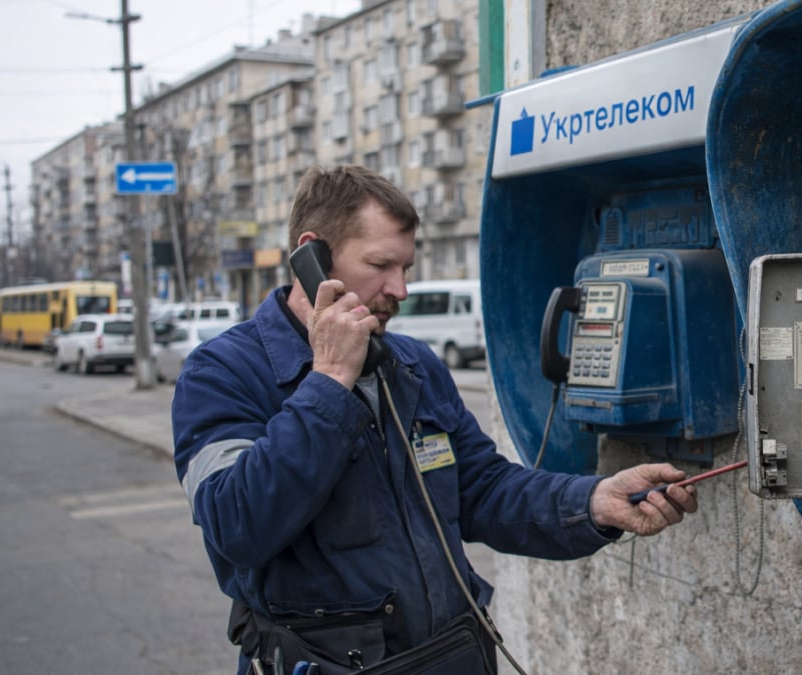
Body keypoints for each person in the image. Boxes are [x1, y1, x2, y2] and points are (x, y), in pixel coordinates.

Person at [172, 165, 698, 674]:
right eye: (381, 266)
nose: (399, 290)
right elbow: (236, 525)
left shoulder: (409, 365)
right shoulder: (221, 372)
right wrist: (329, 380)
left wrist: (592, 501)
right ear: (312, 255)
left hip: (450, 654)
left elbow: (483, 490)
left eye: (407, 269)